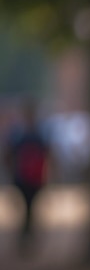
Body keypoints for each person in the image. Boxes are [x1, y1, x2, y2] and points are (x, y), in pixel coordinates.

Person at [3, 99, 50, 254]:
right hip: (24, 178)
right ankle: (26, 238)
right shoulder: (25, 134)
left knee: (30, 209)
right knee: (28, 209)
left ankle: (27, 238)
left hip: (32, 178)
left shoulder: (30, 134)